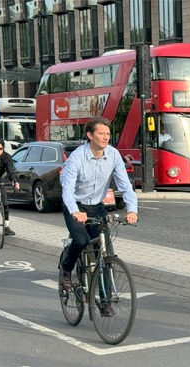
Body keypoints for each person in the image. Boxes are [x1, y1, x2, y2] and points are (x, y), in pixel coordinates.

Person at [58, 117, 138, 292]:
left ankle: (106, 299)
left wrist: (132, 209)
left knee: (105, 253)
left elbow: (125, 185)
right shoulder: (77, 157)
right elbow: (67, 189)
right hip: (76, 204)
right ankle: (66, 269)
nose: (105, 137)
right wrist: (75, 211)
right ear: (90, 135)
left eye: (108, 134)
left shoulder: (113, 154)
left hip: (96, 206)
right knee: (81, 239)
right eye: (101, 133)